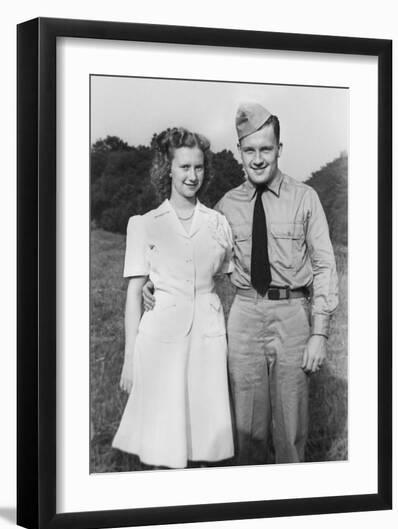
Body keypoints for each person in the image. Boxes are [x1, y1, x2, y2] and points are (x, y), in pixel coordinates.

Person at [144, 103, 338, 465]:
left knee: (291, 431)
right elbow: (198, 261)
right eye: (250, 150)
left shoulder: (305, 198)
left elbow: (326, 265)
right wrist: (156, 283)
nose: (259, 159)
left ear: (279, 148)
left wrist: (319, 333)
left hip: (294, 315)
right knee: (246, 430)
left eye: (266, 149)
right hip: (245, 315)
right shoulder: (224, 208)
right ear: (240, 152)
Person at [112, 127, 235, 469]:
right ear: (168, 168)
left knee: (204, 437)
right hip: (159, 338)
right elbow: (134, 293)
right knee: (161, 439)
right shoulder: (145, 224)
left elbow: (228, 277)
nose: (192, 176)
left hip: (207, 338)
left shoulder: (217, 223)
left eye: (198, 168)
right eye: (184, 167)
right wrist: (128, 360)